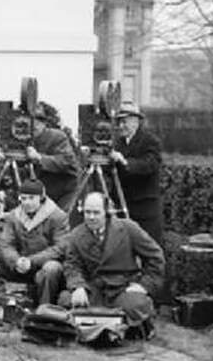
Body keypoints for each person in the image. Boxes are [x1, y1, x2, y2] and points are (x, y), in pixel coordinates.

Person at [57, 191, 165, 336]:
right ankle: (105, 326)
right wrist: (78, 286)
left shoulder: (128, 228)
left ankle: (134, 325)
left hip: (122, 288)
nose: (91, 217)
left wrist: (144, 285)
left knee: (136, 304)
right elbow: (72, 265)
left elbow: (155, 256)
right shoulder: (76, 235)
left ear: (106, 212)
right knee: (66, 300)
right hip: (94, 289)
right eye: (87, 212)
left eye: (96, 212)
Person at [0, 179, 68, 306]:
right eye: (23, 198)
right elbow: (5, 244)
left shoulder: (57, 216)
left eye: (31, 198)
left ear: (41, 198)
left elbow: (60, 248)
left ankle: (44, 311)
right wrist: (16, 260)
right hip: (18, 265)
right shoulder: (14, 216)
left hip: (42, 268)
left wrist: (32, 261)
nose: (27, 202)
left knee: (51, 268)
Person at [109, 101, 164, 245]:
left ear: (136, 121)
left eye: (125, 122)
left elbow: (150, 165)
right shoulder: (117, 143)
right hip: (122, 204)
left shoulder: (150, 141)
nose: (121, 126)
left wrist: (125, 161)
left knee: (148, 248)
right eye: (119, 122)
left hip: (144, 208)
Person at [26, 101, 80, 210]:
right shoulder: (23, 141)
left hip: (64, 195)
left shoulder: (57, 137)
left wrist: (39, 158)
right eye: (30, 119)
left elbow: (67, 162)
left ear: (45, 122)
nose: (35, 123)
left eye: (39, 120)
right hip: (40, 197)